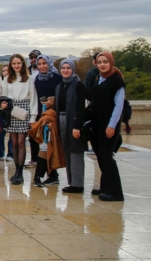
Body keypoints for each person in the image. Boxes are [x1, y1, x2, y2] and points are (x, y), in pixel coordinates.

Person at [88, 51, 125, 202]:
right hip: (97, 123)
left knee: (107, 157)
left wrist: (112, 125)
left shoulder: (117, 81)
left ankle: (115, 192)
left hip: (108, 125)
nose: (102, 65)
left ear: (111, 63)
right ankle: (105, 186)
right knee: (101, 157)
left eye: (105, 62)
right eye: (100, 62)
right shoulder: (98, 78)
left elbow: (119, 105)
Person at [0, 54, 38, 185]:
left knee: (21, 142)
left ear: (22, 64)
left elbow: (33, 98)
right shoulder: (6, 79)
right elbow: (3, 96)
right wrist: (3, 105)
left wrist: (33, 116)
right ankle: (16, 170)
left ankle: (20, 172)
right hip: (11, 109)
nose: (16, 66)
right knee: (14, 142)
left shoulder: (29, 79)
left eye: (18, 63)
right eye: (14, 63)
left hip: (23, 110)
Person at [55, 58, 86, 194]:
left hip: (73, 121)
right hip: (61, 119)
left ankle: (78, 184)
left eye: (68, 68)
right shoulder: (60, 86)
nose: (65, 71)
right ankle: (71, 182)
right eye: (63, 68)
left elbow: (80, 107)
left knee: (76, 151)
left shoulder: (78, 85)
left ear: (72, 69)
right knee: (67, 150)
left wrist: (77, 126)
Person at [32, 54, 63, 183]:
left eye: (44, 63)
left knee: (47, 144)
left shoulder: (57, 78)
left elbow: (63, 96)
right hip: (42, 114)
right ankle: (52, 174)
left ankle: (40, 175)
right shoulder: (38, 79)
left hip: (53, 115)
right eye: (39, 64)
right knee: (45, 144)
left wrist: (53, 103)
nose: (42, 66)